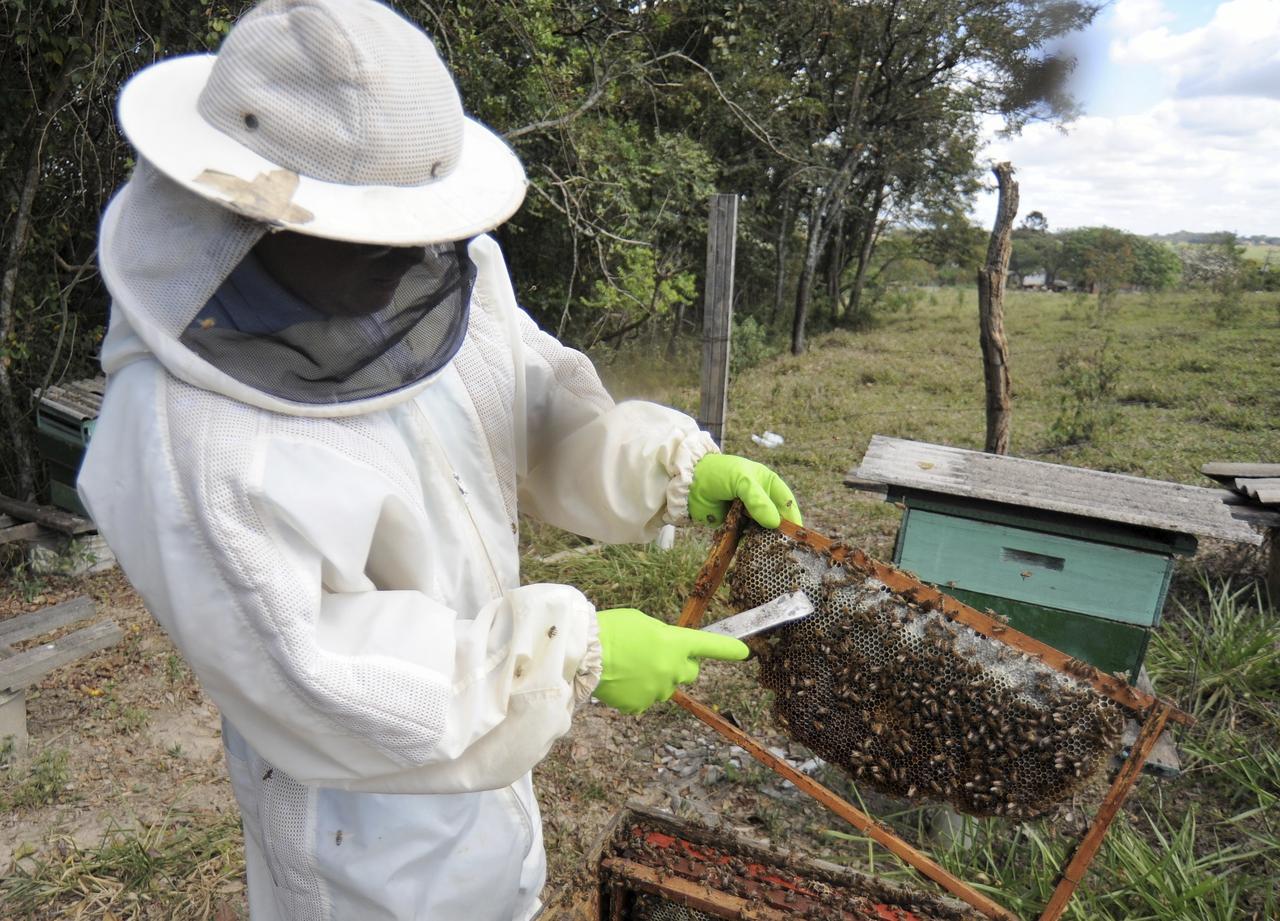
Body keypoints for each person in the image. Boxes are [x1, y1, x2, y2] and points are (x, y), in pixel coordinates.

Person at [78, 1, 802, 918]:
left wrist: (669, 468)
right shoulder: (181, 436)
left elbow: (531, 401)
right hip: (357, 835)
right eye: (367, 233)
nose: (404, 259)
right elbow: (314, 673)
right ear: (252, 212)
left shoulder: (438, 273)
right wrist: (566, 658)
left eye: (409, 227)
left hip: (485, 781)